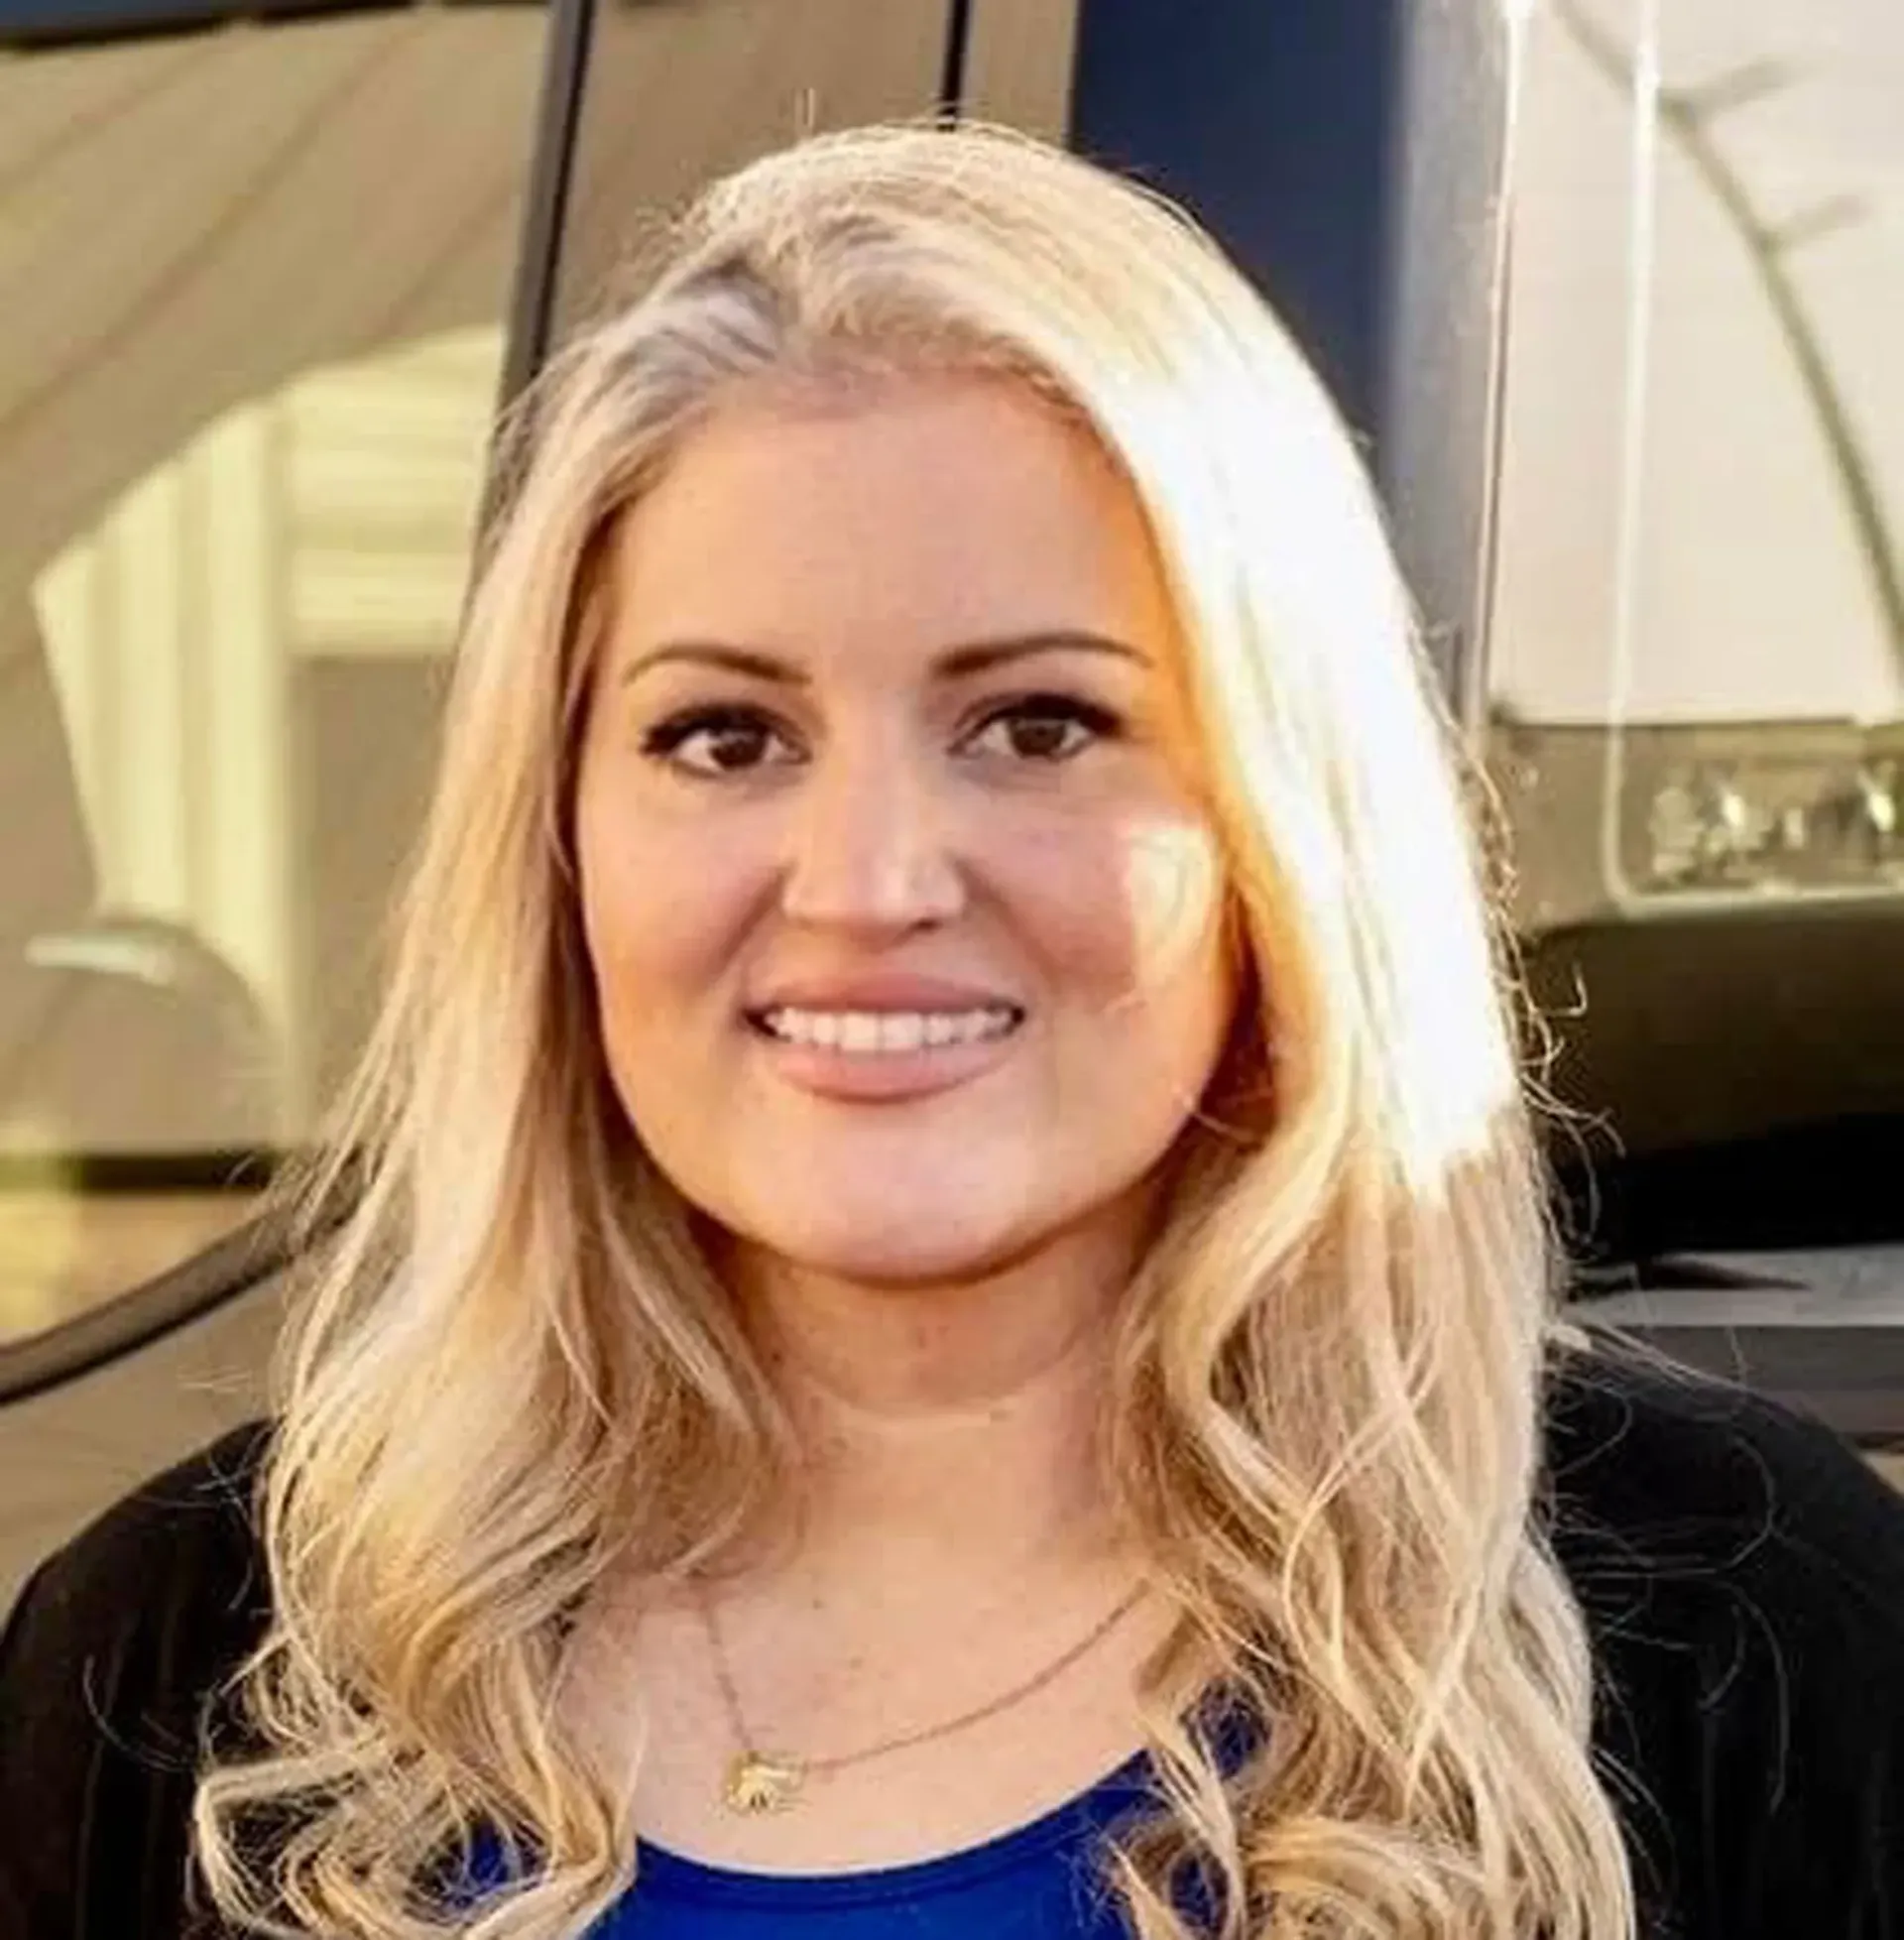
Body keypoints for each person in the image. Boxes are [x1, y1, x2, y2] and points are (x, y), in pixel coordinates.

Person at [3, 116, 1903, 1940]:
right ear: (558, 843)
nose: (867, 881)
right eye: (725, 737)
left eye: (1039, 726)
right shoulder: (178, 1668)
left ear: (1281, 820)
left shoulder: (1741, 1629)